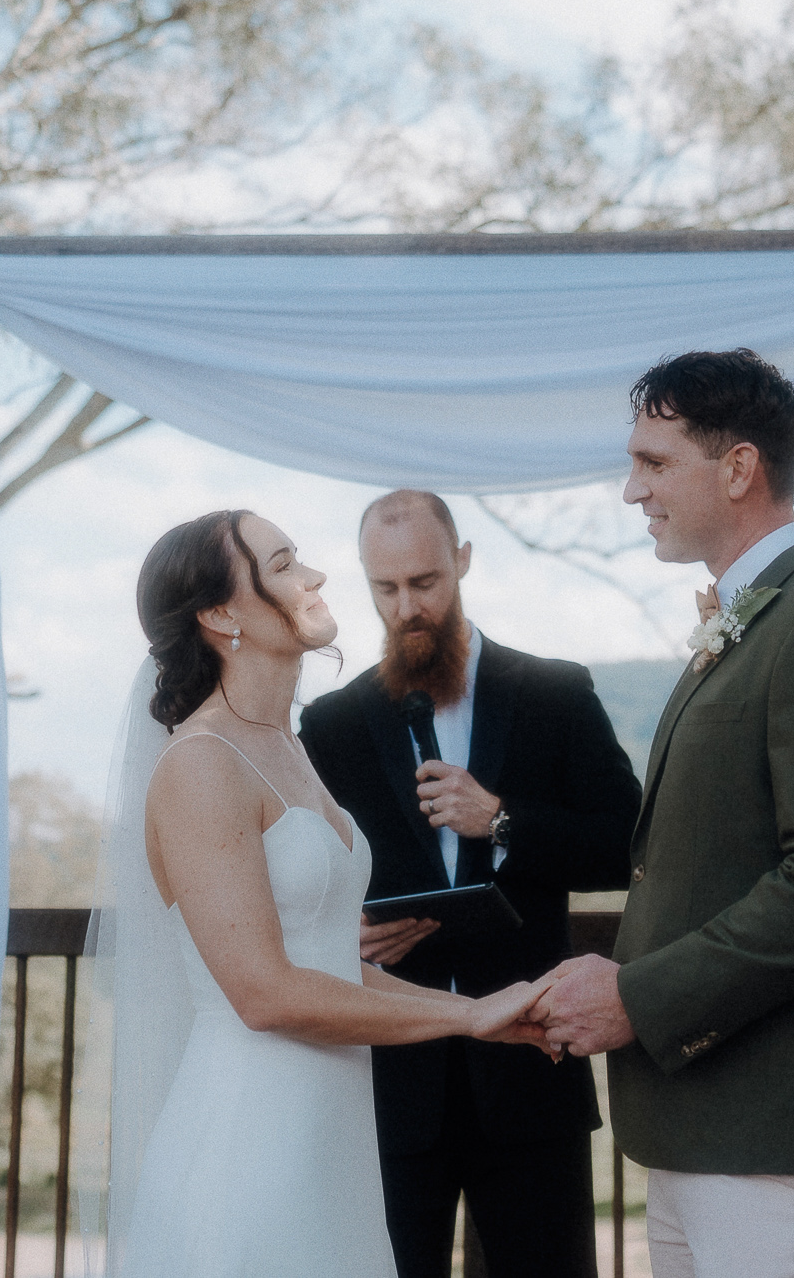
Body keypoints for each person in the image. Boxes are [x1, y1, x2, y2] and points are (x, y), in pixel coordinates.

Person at [530, 350, 794, 1278]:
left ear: (740, 467)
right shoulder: (760, 618)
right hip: (707, 1131)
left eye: (655, 462)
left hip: (790, 1145)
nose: (634, 490)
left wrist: (639, 996)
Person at [111, 508, 550, 1277]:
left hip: (332, 1139)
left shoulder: (284, 746)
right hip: (250, 1143)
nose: (313, 576)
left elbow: (326, 962)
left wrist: (482, 1013)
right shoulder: (201, 763)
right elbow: (265, 992)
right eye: (282, 564)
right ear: (220, 613)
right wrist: (468, 1013)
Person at [301, 491, 643, 1278]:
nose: (407, 607)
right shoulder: (331, 724)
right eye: (384, 589)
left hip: (532, 1068)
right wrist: (340, 931)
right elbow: (301, 880)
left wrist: (502, 819)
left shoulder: (555, 692)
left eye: (425, 581)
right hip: (389, 1084)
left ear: (463, 560)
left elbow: (628, 844)